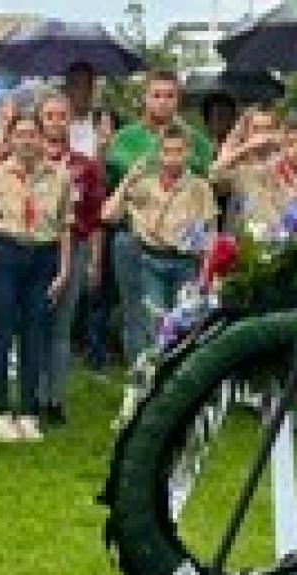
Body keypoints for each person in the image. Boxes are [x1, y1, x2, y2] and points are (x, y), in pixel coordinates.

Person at [105, 70, 214, 364]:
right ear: (145, 98)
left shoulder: (197, 142)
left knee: (182, 313)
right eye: (156, 95)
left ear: (178, 100)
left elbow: (207, 183)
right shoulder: (125, 138)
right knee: (138, 310)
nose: (162, 102)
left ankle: (174, 372)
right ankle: (140, 371)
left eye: (170, 96)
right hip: (135, 236)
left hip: (182, 242)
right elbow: (114, 184)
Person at [0, 112, 71, 442]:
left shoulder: (59, 176)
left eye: (32, 134)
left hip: (43, 255)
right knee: (2, 333)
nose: (27, 141)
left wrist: (63, 270)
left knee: (35, 334)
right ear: (10, 139)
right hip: (8, 253)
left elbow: (64, 226)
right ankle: (3, 411)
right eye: (20, 134)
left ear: (41, 137)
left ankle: (30, 411)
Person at [33, 92, 105, 425]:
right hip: (34, 249)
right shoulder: (26, 161)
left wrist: (93, 259)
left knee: (61, 327)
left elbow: (93, 217)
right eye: (49, 115)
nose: (56, 122)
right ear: (39, 120)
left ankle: (55, 399)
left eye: (62, 115)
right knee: (34, 324)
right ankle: (32, 395)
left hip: (72, 247)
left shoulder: (84, 166)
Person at [103, 125, 217, 334]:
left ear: (188, 153)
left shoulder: (200, 187)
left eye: (178, 151)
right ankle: (152, 365)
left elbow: (210, 235)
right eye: (167, 151)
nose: (172, 158)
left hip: (186, 262)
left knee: (185, 324)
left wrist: (207, 275)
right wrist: (127, 180)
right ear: (159, 153)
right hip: (150, 261)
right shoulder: (145, 184)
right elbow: (108, 215)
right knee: (155, 324)